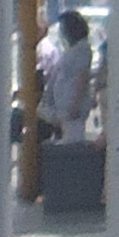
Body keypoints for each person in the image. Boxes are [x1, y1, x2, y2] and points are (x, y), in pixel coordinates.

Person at [35, 8, 93, 144]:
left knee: (72, 141)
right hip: (65, 107)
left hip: (72, 108)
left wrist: (75, 103)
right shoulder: (74, 50)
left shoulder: (81, 50)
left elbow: (82, 76)